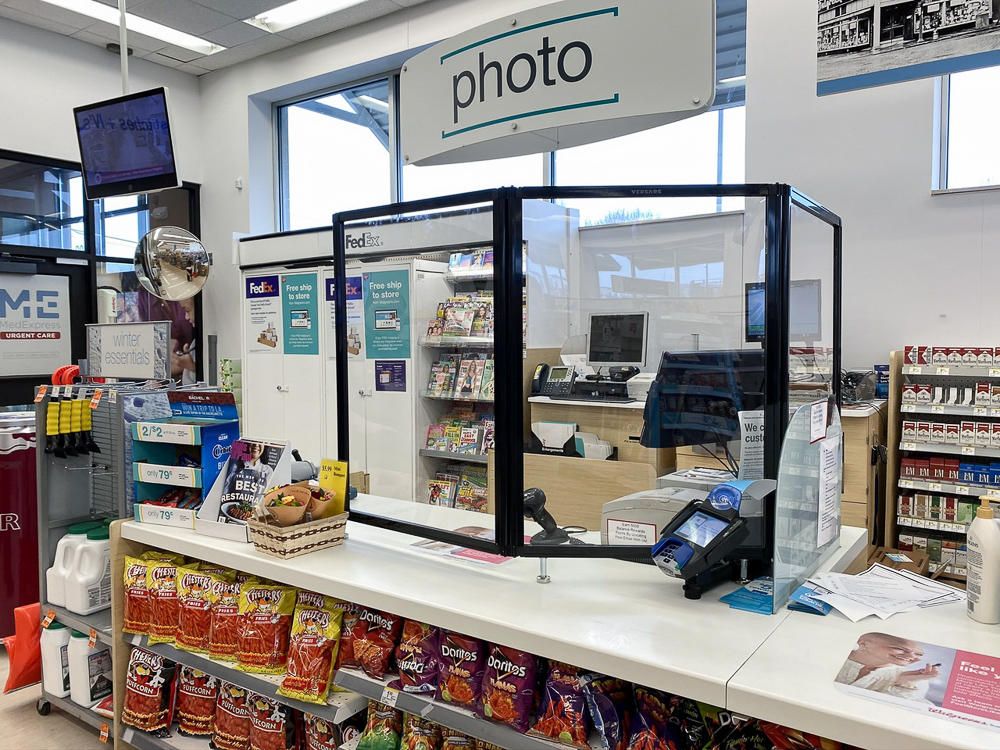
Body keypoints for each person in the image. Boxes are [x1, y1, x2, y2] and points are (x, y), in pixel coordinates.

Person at [835, 632, 940, 702]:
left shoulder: (917, 682)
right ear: (863, 644)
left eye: (919, 654)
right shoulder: (835, 656)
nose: (912, 656)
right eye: (900, 648)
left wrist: (904, 683)